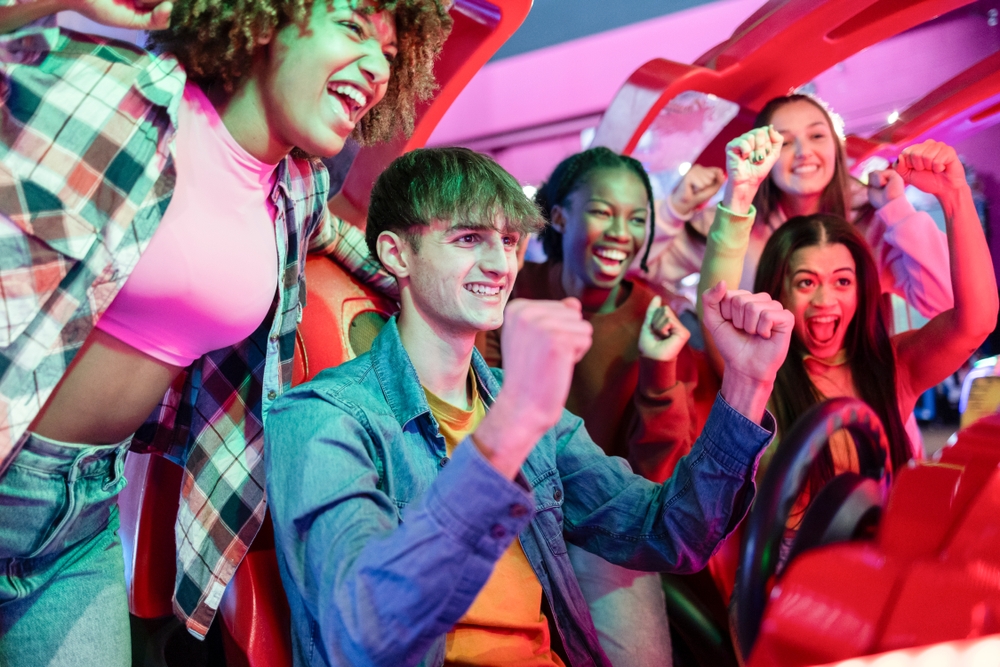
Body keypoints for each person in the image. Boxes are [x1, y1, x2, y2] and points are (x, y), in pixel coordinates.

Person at [0, 0, 450, 663]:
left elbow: (367, 253)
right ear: (266, 18)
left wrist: (453, 302)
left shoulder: (294, 194)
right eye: (353, 27)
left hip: (84, 512)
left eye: (389, 53)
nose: (378, 67)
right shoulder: (120, 92)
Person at [265, 146, 796, 667]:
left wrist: (748, 383)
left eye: (511, 241)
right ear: (397, 253)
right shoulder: (322, 417)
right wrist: (511, 428)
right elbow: (363, 637)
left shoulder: (526, 409)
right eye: (469, 238)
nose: (500, 264)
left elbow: (670, 532)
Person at [479, 147, 696, 666]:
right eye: (603, 211)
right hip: (512, 514)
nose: (623, 231)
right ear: (558, 216)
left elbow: (658, 480)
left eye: (637, 218)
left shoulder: (656, 314)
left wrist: (657, 371)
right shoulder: (507, 292)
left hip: (605, 525)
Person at [700, 129, 997, 497]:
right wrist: (739, 197)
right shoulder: (755, 375)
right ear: (778, 291)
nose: (825, 300)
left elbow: (977, 321)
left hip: (884, 552)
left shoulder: (892, 365)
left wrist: (955, 197)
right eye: (806, 283)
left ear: (863, 291)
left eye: (842, 282)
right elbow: (715, 311)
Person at [641, 94, 953, 324]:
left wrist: (898, 211)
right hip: (765, 408)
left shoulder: (872, 221)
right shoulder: (729, 224)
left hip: (863, 405)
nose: (804, 152)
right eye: (786, 143)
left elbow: (943, 300)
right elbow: (638, 267)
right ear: (764, 154)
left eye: (817, 136)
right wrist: (674, 208)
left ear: (836, 146)